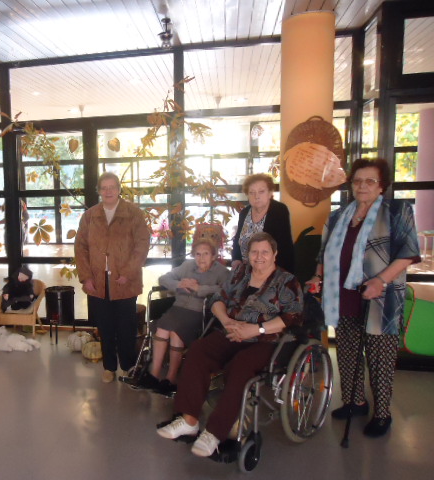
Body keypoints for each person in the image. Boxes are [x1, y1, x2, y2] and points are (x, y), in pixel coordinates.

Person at [157, 232, 302, 458]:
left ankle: (215, 432)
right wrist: (226, 321)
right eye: (254, 252)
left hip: (267, 340)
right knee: (198, 350)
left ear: (275, 254)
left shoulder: (286, 281)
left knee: (241, 365)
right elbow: (218, 300)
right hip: (232, 331)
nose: (259, 256)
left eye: (265, 252)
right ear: (248, 254)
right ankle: (189, 420)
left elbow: (292, 316)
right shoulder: (240, 274)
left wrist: (256, 329)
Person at [306, 158, 420, 438]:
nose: (362, 186)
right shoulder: (338, 216)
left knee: (380, 360)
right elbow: (324, 253)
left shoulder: (397, 211)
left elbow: (408, 253)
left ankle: (382, 414)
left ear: (382, 186)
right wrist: (317, 277)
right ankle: (355, 402)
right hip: (343, 296)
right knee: (347, 354)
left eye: (370, 181)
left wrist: (380, 280)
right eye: (357, 181)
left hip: (381, 299)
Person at [75, 172, 150, 383]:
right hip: (98, 282)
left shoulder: (133, 213)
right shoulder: (90, 216)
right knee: (105, 327)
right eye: (104, 187)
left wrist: (128, 272)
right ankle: (109, 367)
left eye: (112, 187)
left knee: (126, 327)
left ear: (118, 189)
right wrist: (86, 277)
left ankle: (127, 366)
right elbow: (80, 248)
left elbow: (142, 245)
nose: (108, 191)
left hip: (125, 281)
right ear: (99, 191)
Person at [138, 237, 230, 395]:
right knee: (164, 329)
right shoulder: (188, 266)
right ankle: (158, 376)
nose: (201, 258)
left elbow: (227, 290)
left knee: (173, 331)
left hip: (199, 313)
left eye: (206, 254)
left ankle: (168, 377)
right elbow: (164, 278)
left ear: (214, 256)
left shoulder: (221, 272)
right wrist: (178, 284)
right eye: (198, 254)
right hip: (177, 308)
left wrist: (200, 288)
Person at [231, 173, 294, 273]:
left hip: (270, 271)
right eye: (252, 192)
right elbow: (237, 240)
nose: (256, 196)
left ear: (270, 193)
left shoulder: (279, 210)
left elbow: (284, 248)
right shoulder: (244, 213)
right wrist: (236, 259)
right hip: (244, 270)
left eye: (261, 192)